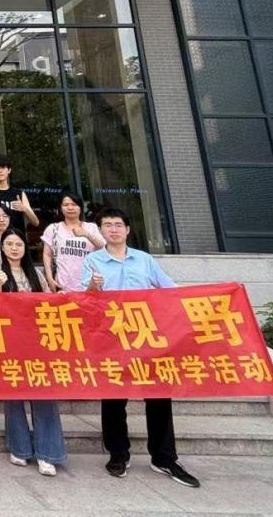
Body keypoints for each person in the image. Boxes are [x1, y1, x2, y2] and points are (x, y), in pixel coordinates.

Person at [83, 209, 200, 488]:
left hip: (148, 338)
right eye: (107, 225)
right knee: (113, 398)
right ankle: (118, 454)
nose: (113, 229)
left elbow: (170, 290)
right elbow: (83, 301)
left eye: (118, 225)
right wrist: (92, 287)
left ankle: (164, 458)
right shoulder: (92, 261)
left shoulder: (145, 260)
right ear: (101, 231)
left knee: (159, 396)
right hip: (112, 339)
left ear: (127, 230)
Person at [0, 228, 65, 476]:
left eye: (18, 244)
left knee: (43, 395)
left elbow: (48, 302)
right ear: (2, 248)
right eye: (9, 244)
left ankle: (48, 453)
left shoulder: (35, 273)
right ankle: (19, 448)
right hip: (9, 341)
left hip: (37, 341)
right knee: (14, 396)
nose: (14, 248)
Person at [41, 192, 105, 292]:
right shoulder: (53, 228)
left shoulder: (91, 227)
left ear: (80, 207)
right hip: (63, 286)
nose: (70, 208)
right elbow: (47, 255)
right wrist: (49, 278)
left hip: (90, 285)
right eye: (66, 205)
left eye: (74, 204)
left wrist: (87, 235)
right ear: (61, 208)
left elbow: (104, 247)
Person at [0, 154, 38, 235]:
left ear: (9, 170)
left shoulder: (19, 194)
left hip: (16, 239)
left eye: (3, 167)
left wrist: (25, 209)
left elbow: (36, 222)